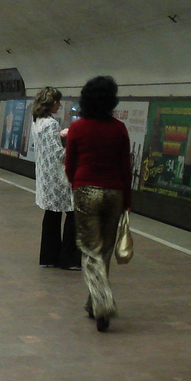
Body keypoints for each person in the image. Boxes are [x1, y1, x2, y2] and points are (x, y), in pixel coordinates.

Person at [64, 76, 133, 333]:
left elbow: (70, 163)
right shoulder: (119, 128)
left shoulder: (78, 128)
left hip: (86, 190)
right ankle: (94, 303)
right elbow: (126, 167)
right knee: (104, 249)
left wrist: (77, 186)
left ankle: (102, 302)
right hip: (114, 192)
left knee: (90, 249)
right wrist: (127, 199)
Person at [29, 87, 81, 270]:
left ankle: (49, 256)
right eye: (57, 102)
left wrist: (60, 135)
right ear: (50, 103)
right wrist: (75, 146)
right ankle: (70, 258)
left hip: (45, 177)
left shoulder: (37, 120)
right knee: (74, 213)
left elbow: (47, 143)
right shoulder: (51, 124)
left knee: (51, 215)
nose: (59, 105)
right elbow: (59, 154)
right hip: (59, 178)